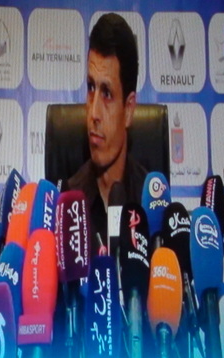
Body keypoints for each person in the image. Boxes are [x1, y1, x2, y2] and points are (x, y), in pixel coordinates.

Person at [67, 12, 147, 246]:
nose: (93, 113)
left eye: (107, 94)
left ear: (129, 109)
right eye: (91, 88)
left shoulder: (150, 204)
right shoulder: (67, 204)